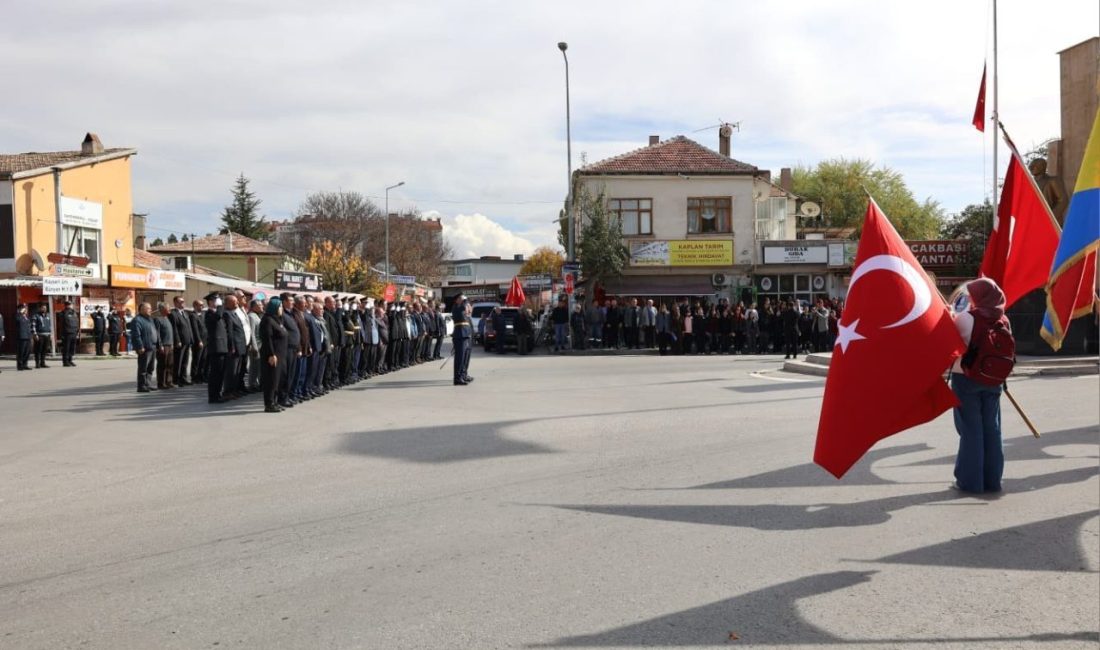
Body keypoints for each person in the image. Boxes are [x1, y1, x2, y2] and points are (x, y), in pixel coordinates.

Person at [949, 278, 1011, 494]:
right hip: (993, 380)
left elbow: (952, 344)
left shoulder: (966, 318)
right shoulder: (1003, 319)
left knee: (971, 430)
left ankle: (970, 481)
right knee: (992, 429)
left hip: (966, 378)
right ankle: (993, 480)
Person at [258, 297, 288, 413]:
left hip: (280, 354)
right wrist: (271, 354)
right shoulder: (267, 320)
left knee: (277, 380)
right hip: (272, 355)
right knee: (271, 379)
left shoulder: (277, 320)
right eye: (280, 306)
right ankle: (269, 404)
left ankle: (274, 402)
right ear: (274, 307)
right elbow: (267, 338)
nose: (281, 309)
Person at [204, 293, 230, 404]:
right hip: (216, 348)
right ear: (210, 302)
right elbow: (217, 317)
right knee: (215, 373)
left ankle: (217, 394)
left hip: (222, 347)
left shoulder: (217, 313)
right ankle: (213, 396)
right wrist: (220, 306)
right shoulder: (209, 314)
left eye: (218, 300)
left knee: (220, 373)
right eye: (216, 300)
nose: (218, 302)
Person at [129, 302, 159, 392]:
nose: (151, 310)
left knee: (151, 367)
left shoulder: (150, 319)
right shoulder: (137, 320)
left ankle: (147, 384)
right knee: (143, 367)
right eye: (148, 308)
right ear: (142, 309)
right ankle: (141, 386)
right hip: (144, 348)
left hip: (152, 346)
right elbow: (136, 335)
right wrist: (139, 346)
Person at [169, 296, 193, 385]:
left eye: (183, 301)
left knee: (185, 361)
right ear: (175, 303)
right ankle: (176, 379)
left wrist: (191, 339)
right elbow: (174, 329)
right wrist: (177, 340)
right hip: (180, 341)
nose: (183, 303)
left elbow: (189, 327)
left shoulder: (185, 313)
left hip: (187, 340)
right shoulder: (173, 314)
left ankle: (183, 378)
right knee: (178, 361)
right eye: (180, 302)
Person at [153, 303, 176, 389]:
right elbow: (157, 334)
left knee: (170, 364)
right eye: (168, 308)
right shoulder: (157, 319)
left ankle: (169, 381)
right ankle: (161, 383)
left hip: (170, 344)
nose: (170, 309)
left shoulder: (168, 318)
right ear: (162, 309)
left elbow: (171, 333)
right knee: (162, 365)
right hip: (163, 346)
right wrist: (160, 345)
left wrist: (172, 343)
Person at [451, 294, 472, 385]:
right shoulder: (456, 308)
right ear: (456, 300)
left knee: (465, 357)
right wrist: (465, 301)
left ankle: (463, 375)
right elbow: (464, 307)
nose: (462, 300)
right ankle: (457, 378)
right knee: (459, 358)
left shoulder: (462, 307)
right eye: (460, 298)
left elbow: (468, 310)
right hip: (460, 335)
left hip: (465, 334)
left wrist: (466, 303)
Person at [189, 300, 207, 382]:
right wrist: (199, 340)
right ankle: (194, 376)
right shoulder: (193, 315)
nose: (202, 306)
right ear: (195, 306)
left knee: (203, 359)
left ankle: (201, 375)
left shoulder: (203, 314)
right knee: (197, 359)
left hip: (205, 340)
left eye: (203, 305)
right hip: (198, 341)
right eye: (200, 305)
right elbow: (195, 329)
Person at [59, 300, 80, 367]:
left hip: (73, 332)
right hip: (67, 333)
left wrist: (77, 332)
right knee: (66, 348)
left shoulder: (74, 313)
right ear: (66, 305)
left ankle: (70, 360)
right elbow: (61, 324)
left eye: (70, 304)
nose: (70, 306)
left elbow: (77, 322)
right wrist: (62, 334)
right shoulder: (63, 313)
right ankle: (65, 361)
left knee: (72, 348)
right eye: (68, 305)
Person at [32, 304, 53, 368]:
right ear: (40, 308)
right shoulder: (36, 316)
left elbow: (50, 326)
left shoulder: (48, 316)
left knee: (44, 350)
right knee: (38, 350)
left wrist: (51, 334)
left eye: (45, 308)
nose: (44, 309)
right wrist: (35, 334)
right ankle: (37, 363)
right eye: (43, 308)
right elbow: (33, 326)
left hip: (47, 335)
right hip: (39, 335)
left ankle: (43, 363)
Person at [15, 304, 33, 370]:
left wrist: (31, 336)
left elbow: (29, 327)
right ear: (20, 309)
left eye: (25, 308)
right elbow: (17, 321)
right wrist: (20, 313)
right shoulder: (17, 316)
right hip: (21, 337)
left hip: (28, 336)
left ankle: (25, 364)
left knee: (27, 351)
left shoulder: (27, 317)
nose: (25, 309)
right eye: (24, 308)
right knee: (21, 352)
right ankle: (20, 365)